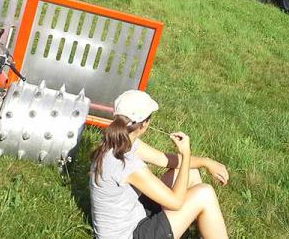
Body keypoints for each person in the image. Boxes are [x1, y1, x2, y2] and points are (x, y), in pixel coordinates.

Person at [89, 90, 229, 239]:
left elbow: (163, 159)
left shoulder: (118, 143)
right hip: (131, 234)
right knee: (204, 194)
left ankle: (199, 226)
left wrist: (206, 162)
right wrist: (186, 154)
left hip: (133, 214)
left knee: (191, 172)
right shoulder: (127, 164)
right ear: (144, 124)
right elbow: (176, 203)